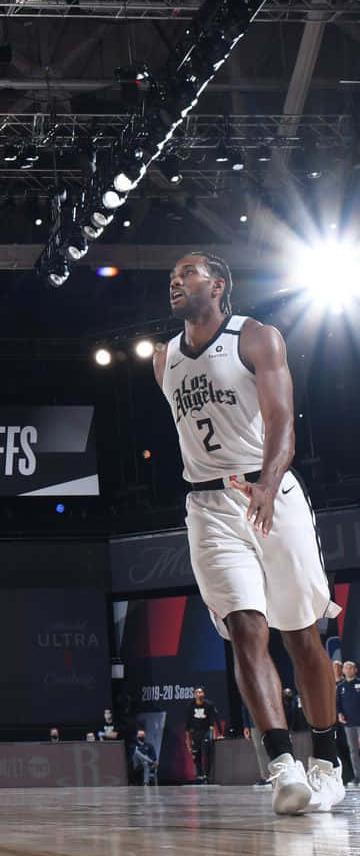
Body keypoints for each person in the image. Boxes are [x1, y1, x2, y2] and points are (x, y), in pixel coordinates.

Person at [154, 253, 344, 815]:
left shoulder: (257, 337)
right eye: (173, 274)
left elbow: (283, 421)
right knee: (243, 626)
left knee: (301, 635)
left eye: (186, 273)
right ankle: (282, 764)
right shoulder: (163, 359)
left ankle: (328, 761)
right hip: (208, 503)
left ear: (217, 286)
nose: (175, 280)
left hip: (270, 495)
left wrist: (268, 479)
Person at [185, 687, 218, 782]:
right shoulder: (190, 706)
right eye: (197, 692)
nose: (199, 694)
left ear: (203, 694)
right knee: (196, 755)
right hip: (195, 733)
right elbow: (187, 724)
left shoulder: (209, 705)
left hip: (206, 732)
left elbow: (213, 721)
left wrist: (213, 734)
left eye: (201, 692)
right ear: (195, 694)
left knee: (206, 754)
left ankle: (206, 776)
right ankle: (198, 776)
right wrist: (187, 739)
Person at [338, 660, 360, 783]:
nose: (349, 670)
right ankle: (358, 776)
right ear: (343, 671)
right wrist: (339, 714)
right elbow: (338, 705)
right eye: (346, 668)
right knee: (353, 750)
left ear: (355, 670)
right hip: (349, 724)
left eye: (351, 668)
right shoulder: (341, 687)